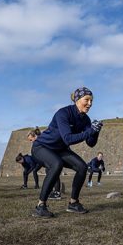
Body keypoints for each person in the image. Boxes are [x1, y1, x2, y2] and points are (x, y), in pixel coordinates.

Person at [30, 87, 103, 217]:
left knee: (82, 167)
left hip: (60, 149)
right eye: (87, 100)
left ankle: (73, 203)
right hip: (42, 147)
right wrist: (90, 131)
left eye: (91, 101)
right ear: (77, 99)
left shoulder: (85, 119)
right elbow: (68, 138)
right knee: (56, 164)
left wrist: (96, 131)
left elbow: (90, 143)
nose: (90, 104)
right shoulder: (63, 113)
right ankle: (40, 206)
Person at [27, 128, 62, 199]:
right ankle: (54, 191)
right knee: (50, 172)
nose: (31, 142)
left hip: (53, 160)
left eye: (31, 140)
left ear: (35, 136)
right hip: (49, 161)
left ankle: (57, 193)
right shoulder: (40, 141)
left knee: (53, 173)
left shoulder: (42, 139)